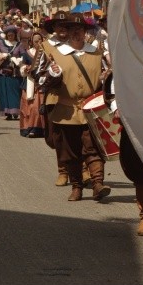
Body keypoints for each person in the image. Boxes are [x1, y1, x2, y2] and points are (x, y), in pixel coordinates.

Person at [39, 10, 111, 202]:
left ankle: (97, 183)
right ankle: (77, 186)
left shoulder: (96, 53)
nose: (75, 32)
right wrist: (53, 75)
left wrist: (106, 79)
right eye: (71, 29)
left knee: (93, 147)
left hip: (92, 108)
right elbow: (41, 82)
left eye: (79, 29)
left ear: (85, 32)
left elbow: (108, 78)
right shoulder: (55, 54)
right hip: (66, 110)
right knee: (70, 150)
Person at [33, 15, 91, 187]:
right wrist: (51, 74)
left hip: (79, 98)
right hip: (54, 98)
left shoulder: (79, 46)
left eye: (66, 27)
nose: (64, 31)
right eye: (60, 27)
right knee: (58, 138)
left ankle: (84, 169)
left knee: (84, 137)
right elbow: (35, 72)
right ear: (54, 28)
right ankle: (63, 170)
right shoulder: (45, 47)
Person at [104, 70, 143, 236]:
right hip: (136, 121)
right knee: (140, 170)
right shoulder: (128, 55)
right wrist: (116, 108)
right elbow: (113, 91)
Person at [0, 24, 24, 121]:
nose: (10, 36)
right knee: (3, 92)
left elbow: (24, 56)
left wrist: (17, 60)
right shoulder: (1, 43)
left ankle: (15, 112)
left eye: (12, 34)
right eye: (8, 34)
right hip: (3, 72)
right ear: (6, 35)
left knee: (15, 92)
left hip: (15, 72)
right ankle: (7, 113)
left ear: (15, 35)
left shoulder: (19, 44)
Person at [19, 31, 46, 138]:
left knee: (38, 107)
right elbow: (22, 66)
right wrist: (25, 68)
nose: (38, 42)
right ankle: (28, 127)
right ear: (32, 42)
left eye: (39, 40)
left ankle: (38, 128)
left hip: (41, 82)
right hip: (30, 82)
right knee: (28, 106)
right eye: (35, 41)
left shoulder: (46, 53)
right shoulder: (27, 53)